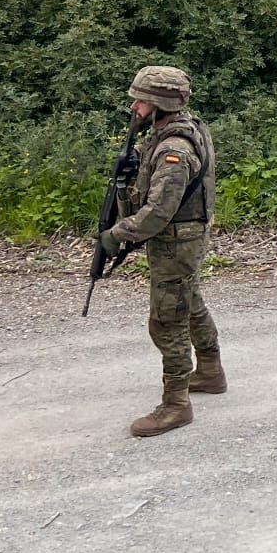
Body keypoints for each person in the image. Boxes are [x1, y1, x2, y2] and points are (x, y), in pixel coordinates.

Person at [101, 65, 222, 437]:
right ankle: (210, 372)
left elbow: (157, 212)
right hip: (182, 236)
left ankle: (176, 404)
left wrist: (117, 234)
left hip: (176, 240)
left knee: (167, 318)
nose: (134, 107)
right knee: (190, 300)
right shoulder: (176, 129)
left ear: (159, 103)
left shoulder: (175, 149)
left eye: (141, 100)